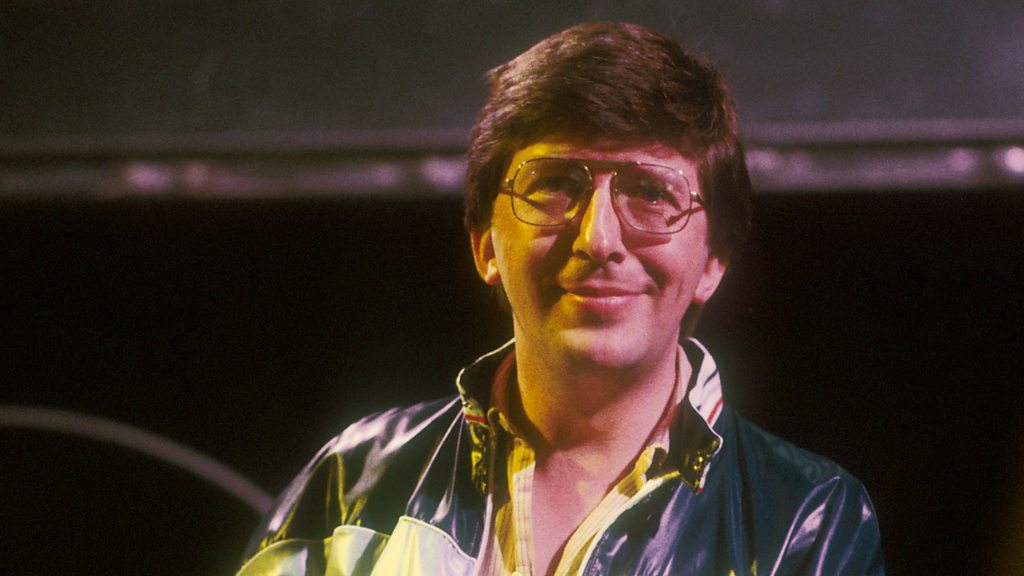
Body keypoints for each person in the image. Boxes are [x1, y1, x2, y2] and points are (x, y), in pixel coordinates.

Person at [237, 21, 884, 575]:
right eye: (554, 185)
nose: (598, 239)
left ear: (714, 261)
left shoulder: (806, 516)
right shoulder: (356, 480)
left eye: (650, 192)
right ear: (485, 246)